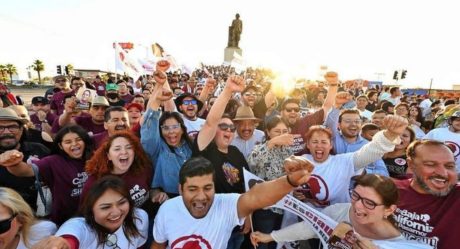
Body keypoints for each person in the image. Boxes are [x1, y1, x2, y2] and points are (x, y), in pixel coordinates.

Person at [152, 155, 313, 249]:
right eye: (192, 189)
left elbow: (256, 197)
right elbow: (158, 245)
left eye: (207, 188)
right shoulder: (167, 209)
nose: (201, 196)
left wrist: (289, 182)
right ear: (180, 189)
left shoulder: (225, 205)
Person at [250, 174, 431, 249]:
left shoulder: (401, 244)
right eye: (356, 196)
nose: (358, 206)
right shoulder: (339, 211)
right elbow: (310, 227)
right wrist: (271, 236)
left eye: (369, 203)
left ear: (389, 210)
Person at [296, 114, 407, 208]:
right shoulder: (300, 161)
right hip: (304, 217)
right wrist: (292, 191)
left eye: (324, 142)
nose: (319, 146)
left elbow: (371, 151)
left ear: (331, 145)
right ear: (308, 145)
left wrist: (390, 135)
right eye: (315, 142)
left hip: (336, 219)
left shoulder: (344, 162)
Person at [0, 125, 93, 225]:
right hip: (66, 221)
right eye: (68, 142)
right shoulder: (53, 161)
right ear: (60, 146)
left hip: (94, 217)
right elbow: (26, 170)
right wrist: (13, 164)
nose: (74, 144)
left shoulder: (95, 158)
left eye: (78, 140)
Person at [33, 176, 148, 249]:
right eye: (105, 207)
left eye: (122, 203)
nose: (116, 212)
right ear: (91, 209)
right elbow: (69, 239)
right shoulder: (80, 226)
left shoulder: (139, 217)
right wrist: (62, 244)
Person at [394, 140, 459, 249]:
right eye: (430, 164)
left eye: (449, 166)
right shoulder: (392, 190)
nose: (442, 173)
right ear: (411, 164)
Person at [141, 70, 192, 202]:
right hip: (168, 200)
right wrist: (157, 100)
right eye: (165, 128)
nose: (171, 132)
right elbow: (149, 130)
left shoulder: (191, 146)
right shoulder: (157, 148)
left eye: (175, 127)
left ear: (182, 129)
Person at [247, 115, 294, 249]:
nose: (281, 135)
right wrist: (271, 143)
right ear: (268, 132)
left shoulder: (288, 150)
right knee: (262, 243)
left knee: (276, 241)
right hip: (264, 207)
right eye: (277, 132)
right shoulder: (260, 148)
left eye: (284, 131)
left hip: (283, 205)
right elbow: (251, 162)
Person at [83, 131, 152, 209]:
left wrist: (156, 192)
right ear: (108, 156)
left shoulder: (142, 168)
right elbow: (85, 212)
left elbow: (151, 189)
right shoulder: (95, 181)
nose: (124, 152)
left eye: (129, 147)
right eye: (117, 149)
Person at [0, 108, 50, 211]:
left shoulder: (39, 149)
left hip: (43, 215)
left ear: (21, 130)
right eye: (0, 128)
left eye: (12, 127)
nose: (6, 132)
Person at [424, 110, 460, 174]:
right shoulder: (436, 132)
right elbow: (421, 147)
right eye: (458, 120)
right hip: (432, 171)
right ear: (451, 121)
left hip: (456, 174)